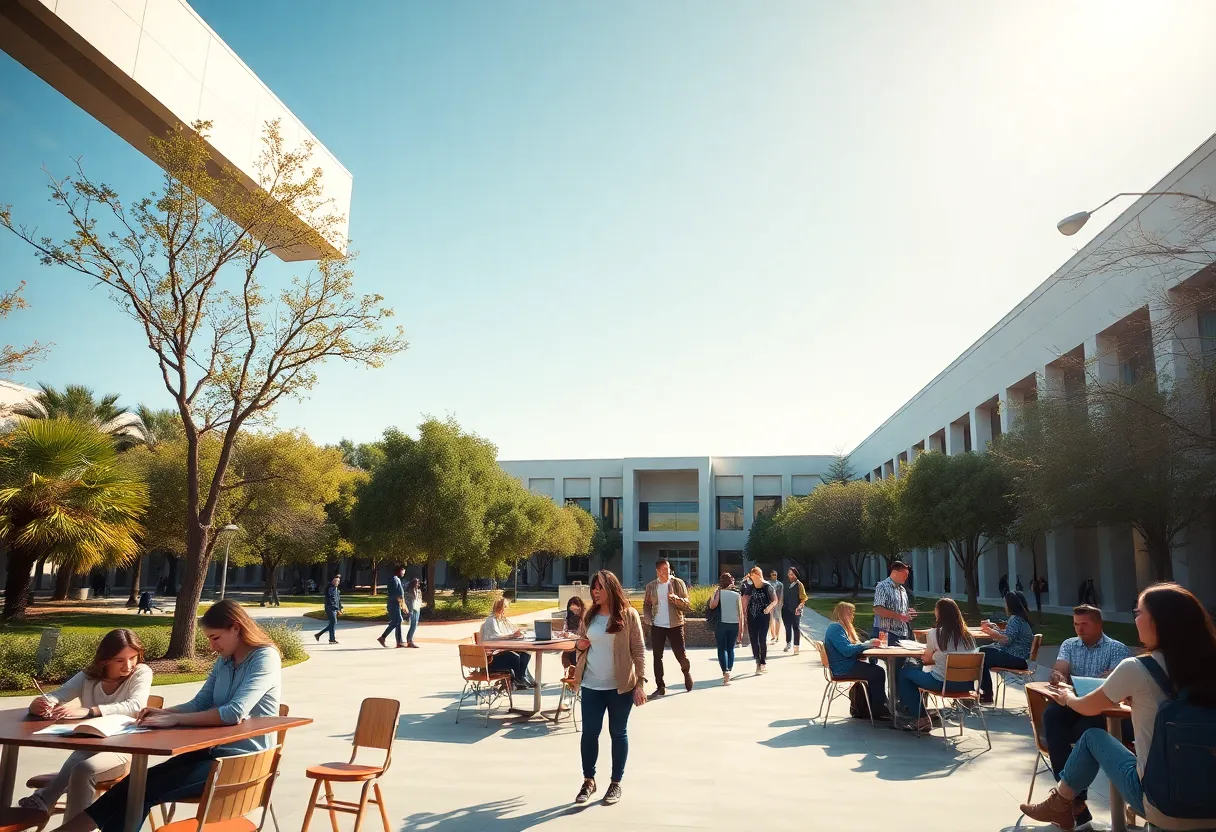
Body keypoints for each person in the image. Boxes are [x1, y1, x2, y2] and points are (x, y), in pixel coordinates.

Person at [51, 601, 280, 832]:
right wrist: (163, 712)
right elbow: (199, 704)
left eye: (215, 638)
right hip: (210, 753)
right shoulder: (224, 661)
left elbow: (234, 713)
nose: (212, 646)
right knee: (135, 784)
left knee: (143, 790)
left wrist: (175, 719)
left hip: (243, 762)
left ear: (236, 628)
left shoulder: (265, 657)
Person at [1021, 583, 1216, 831]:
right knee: (1058, 720)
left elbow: (1087, 707)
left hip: (1163, 803)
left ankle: (1062, 802)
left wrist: (1068, 696)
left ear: (1157, 621)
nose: (1135, 619)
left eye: (1138, 612)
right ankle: (1068, 804)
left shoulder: (1136, 667)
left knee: (1092, 737)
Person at [20, 630, 152, 818]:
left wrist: (90, 711)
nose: (128, 666)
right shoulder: (88, 676)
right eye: (120, 660)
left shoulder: (141, 672)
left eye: (133, 658)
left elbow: (136, 706)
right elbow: (59, 695)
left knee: (83, 770)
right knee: (79, 762)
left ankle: (46, 799)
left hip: (123, 749)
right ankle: (47, 801)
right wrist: (40, 704)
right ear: (104, 660)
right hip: (89, 745)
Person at [1039, 604, 1132, 829]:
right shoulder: (1070, 644)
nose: (1079, 629)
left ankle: (1068, 802)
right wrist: (1058, 674)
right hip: (1073, 701)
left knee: (1084, 732)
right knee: (1052, 716)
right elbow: (1060, 668)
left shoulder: (1116, 648)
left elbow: (1116, 682)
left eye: (1084, 624)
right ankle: (1077, 801)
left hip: (1101, 708)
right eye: (1075, 624)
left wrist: (1111, 676)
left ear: (1099, 625)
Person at [572, 570, 647, 807]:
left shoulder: (629, 615)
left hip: (620, 687)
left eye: (599, 588)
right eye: (593, 588)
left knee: (618, 733)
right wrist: (579, 645)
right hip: (591, 685)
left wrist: (640, 682)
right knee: (589, 734)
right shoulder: (589, 616)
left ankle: (615, 783)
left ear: (611, 589)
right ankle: (588, 780)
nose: (595, 592)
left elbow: (639, 649)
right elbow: (581, 646)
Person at [897, 597, 978, 731]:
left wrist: (934, 655)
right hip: (967, 685)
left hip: (942, 682)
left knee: (905, 673)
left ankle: (920, 717)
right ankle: (923, 714)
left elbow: (926, 660)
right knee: (918, 673)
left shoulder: (935, 633)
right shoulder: (968, 635)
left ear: (939, 613)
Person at [823, 602, 889, 719]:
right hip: (844, 668)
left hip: (845, 665)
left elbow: (849, 648)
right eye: (851, 613)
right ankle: (879, 710)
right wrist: (867, 644)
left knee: (875, 670)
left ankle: (880, 707)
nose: (853, 616)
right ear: (843, 613)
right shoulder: (836, 628)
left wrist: (867, 646)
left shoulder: (838, 627)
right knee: (878, 672)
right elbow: (846, 650)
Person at [641, 558, 692, 697]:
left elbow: (687, 604)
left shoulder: (677, 583)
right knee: (657, 657)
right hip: (658, 626)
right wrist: (647, 617)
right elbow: (646, 605)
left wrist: (676, 598)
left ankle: (686, 673)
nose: (667, 571)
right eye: (663, 569)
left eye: (668, 568)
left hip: (675, 624)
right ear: (657, 571)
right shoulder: (651, 586)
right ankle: (660, 686)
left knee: (680, 654)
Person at [977, 591, 1034, 704]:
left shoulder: (1016, 620)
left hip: (1018, 659)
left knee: (982, 655)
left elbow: (1005, 641)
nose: (1005, 606)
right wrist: (995, 628)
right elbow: (1009, 636)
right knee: (984, 652)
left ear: (1010, 605)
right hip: (1021, 658)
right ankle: (986, 692)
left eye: (1005, 603)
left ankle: (987, 693)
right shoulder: (1020, 619)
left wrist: (992, 632)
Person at [479, 597, 532, 689]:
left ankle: (521, 678)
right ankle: (519, 679)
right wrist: (511, 636)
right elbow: (493, 637)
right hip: (491, 658)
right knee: (514, 657)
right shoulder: (491, 620)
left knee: (526, 652)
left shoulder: (501, 620)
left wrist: (516, 634)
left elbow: (509, 632)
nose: (506, 610)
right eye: (505, 608)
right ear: (500, 608)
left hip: (499, 652)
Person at [708, 572, 744, 684]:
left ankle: (725, 671)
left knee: (721, 648)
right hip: (734, 624)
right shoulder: (737, 595)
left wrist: (715, 594)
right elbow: (741, 614)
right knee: (730, 648)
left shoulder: (718, 593)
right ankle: (730, 670)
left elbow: (712, 605)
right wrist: (741, 630)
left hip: (721, 625)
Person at [742, 567, 778, 673]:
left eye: (754, 576)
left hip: (763, 616)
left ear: (758, 575)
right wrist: (744, 612)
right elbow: (745, 598)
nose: (752, 578)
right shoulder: (750, 587)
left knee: (762, 639)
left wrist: (768, 608)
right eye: (751, 576)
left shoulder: (767, 587)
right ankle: (757, 661)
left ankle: (763, 662)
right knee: (753, 640)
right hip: (751, 616)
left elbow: (775, 600)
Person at [872, 560, 915, 644]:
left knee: (903, 657)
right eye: (905, 574)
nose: (906, 577)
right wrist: (901, 616)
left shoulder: (902, 590)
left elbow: (900, 612)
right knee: (891, 656)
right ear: (895, 572)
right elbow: (878, 609)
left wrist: (907, 612)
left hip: (903, 634)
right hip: (887, 633)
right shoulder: (882, 586)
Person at [377, 565, 408, 648]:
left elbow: (400, 594)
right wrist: (403, 605)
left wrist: (402, 604)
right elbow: (396, 594)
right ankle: (383, 637)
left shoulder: (397, 579)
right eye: (403, 571)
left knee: (397, 622)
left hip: (396, 604)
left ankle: (399, 642)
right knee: (396, 621)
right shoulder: (394, 579)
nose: (404, 573)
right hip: (393, 604)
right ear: (399, 571)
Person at [782, 567, 808, 654]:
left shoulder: (799, 585)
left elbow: (804, 598)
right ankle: (788, 643)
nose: (790, 576)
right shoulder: (785, 584)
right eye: (789, 574)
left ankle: (796, 647)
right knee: (787, 627)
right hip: (785, 609)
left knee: (796, 628)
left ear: (796, 575)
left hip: (795, 610)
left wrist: (799, 607)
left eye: (792, 574)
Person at [315, 574, 343, 644]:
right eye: (337, 581)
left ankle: (328, 638)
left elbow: (338, 600)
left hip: (334, 608)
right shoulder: (331, 588)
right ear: (333, 581)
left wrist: (340, 608)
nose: (338, 582)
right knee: (333, 622)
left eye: (338, 581)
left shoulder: (336, 589)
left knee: (332, 623)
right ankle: (330, 638)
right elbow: (332, 599)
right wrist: (336, 608)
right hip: (330, 608)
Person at [561, 596, 586, 669]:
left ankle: (574, 670)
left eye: (576, 610)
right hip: (571, 643)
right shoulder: (569, 617)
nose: (574, 613)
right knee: (566, 654)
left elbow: (583, 635)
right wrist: (564, 633)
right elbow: (565, 629)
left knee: (571, 652)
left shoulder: (585, 617)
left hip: (581, 644)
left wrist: (571, 636)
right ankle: (569, 672)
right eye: (572, 610)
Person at [403, 577, 423, 648]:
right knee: (413, 625)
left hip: (417, 608)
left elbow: (420, 599)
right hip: (412, 609)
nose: (418, 584)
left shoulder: (418, 591)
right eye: (417, 583)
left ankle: (410, 640)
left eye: (418, 583)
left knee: (415, 624)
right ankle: (409, 640)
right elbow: (408, 600)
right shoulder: (409, 591)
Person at [767, 570, 784, 645]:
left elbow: (782, 593)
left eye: (775, 574)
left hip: (777, 604)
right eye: (772, 574)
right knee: (770, 620)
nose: (774, 575)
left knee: (777, 619)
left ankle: (777, 635)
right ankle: (773, 635)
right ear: (770, 575)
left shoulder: (780, 584)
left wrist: (780, 602)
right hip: (770, 603)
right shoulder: (768, 583)